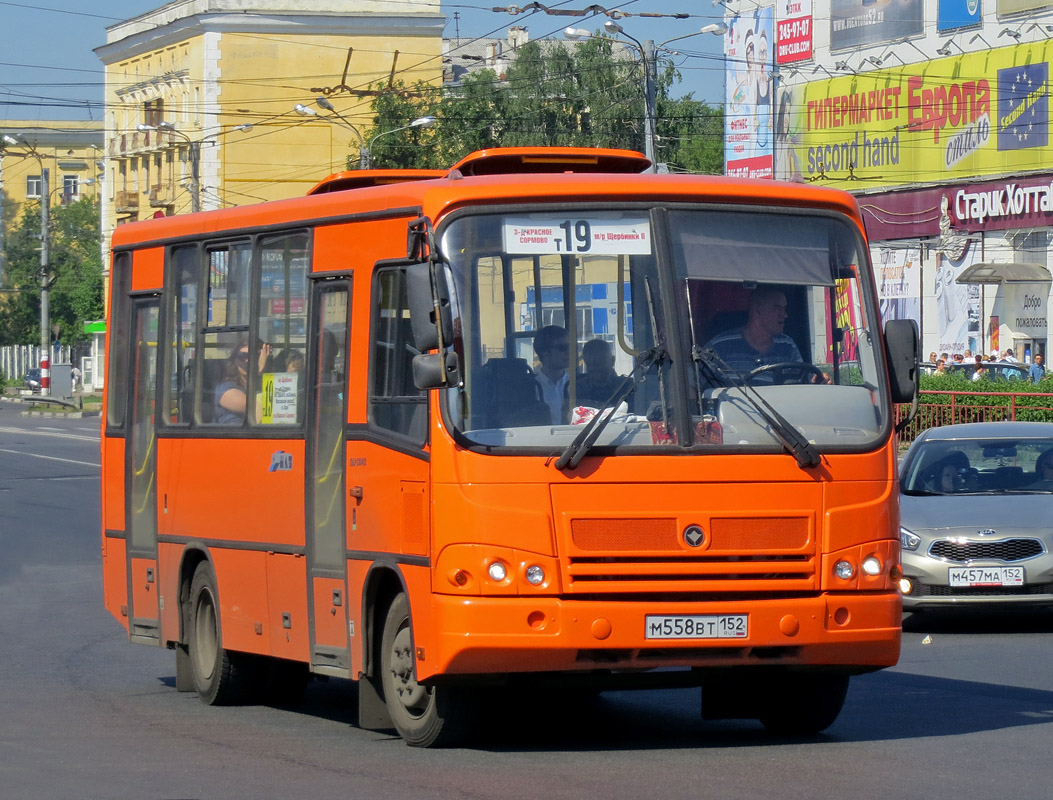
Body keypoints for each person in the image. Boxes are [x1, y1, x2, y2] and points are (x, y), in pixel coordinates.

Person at [705, 286, 803, 379]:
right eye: (777, 308)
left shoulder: (788, 346)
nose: (785, 315)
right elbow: (694, 384)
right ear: (757, 310)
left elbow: (802, 382)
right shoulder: (720, 346)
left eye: (784, 308)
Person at [215, 339, 270, 424]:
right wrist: (259, 372)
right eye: (243, 356)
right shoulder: (225, 388)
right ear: (235, 359)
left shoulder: (263, 383)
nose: (247, 361)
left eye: (254, 356)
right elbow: (254, 407)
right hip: (232, 435)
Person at [532, 325, 570, 424]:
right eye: (563, 348)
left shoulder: (577, 385)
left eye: (571, 347)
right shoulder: (530, 389)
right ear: (545, 353)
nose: (569, 352)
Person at [576, 339, 623, 408]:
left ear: (612, 361)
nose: (594, 368)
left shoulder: (627, 389)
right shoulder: (577, 389)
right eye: (589, 364)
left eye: (600, 363)